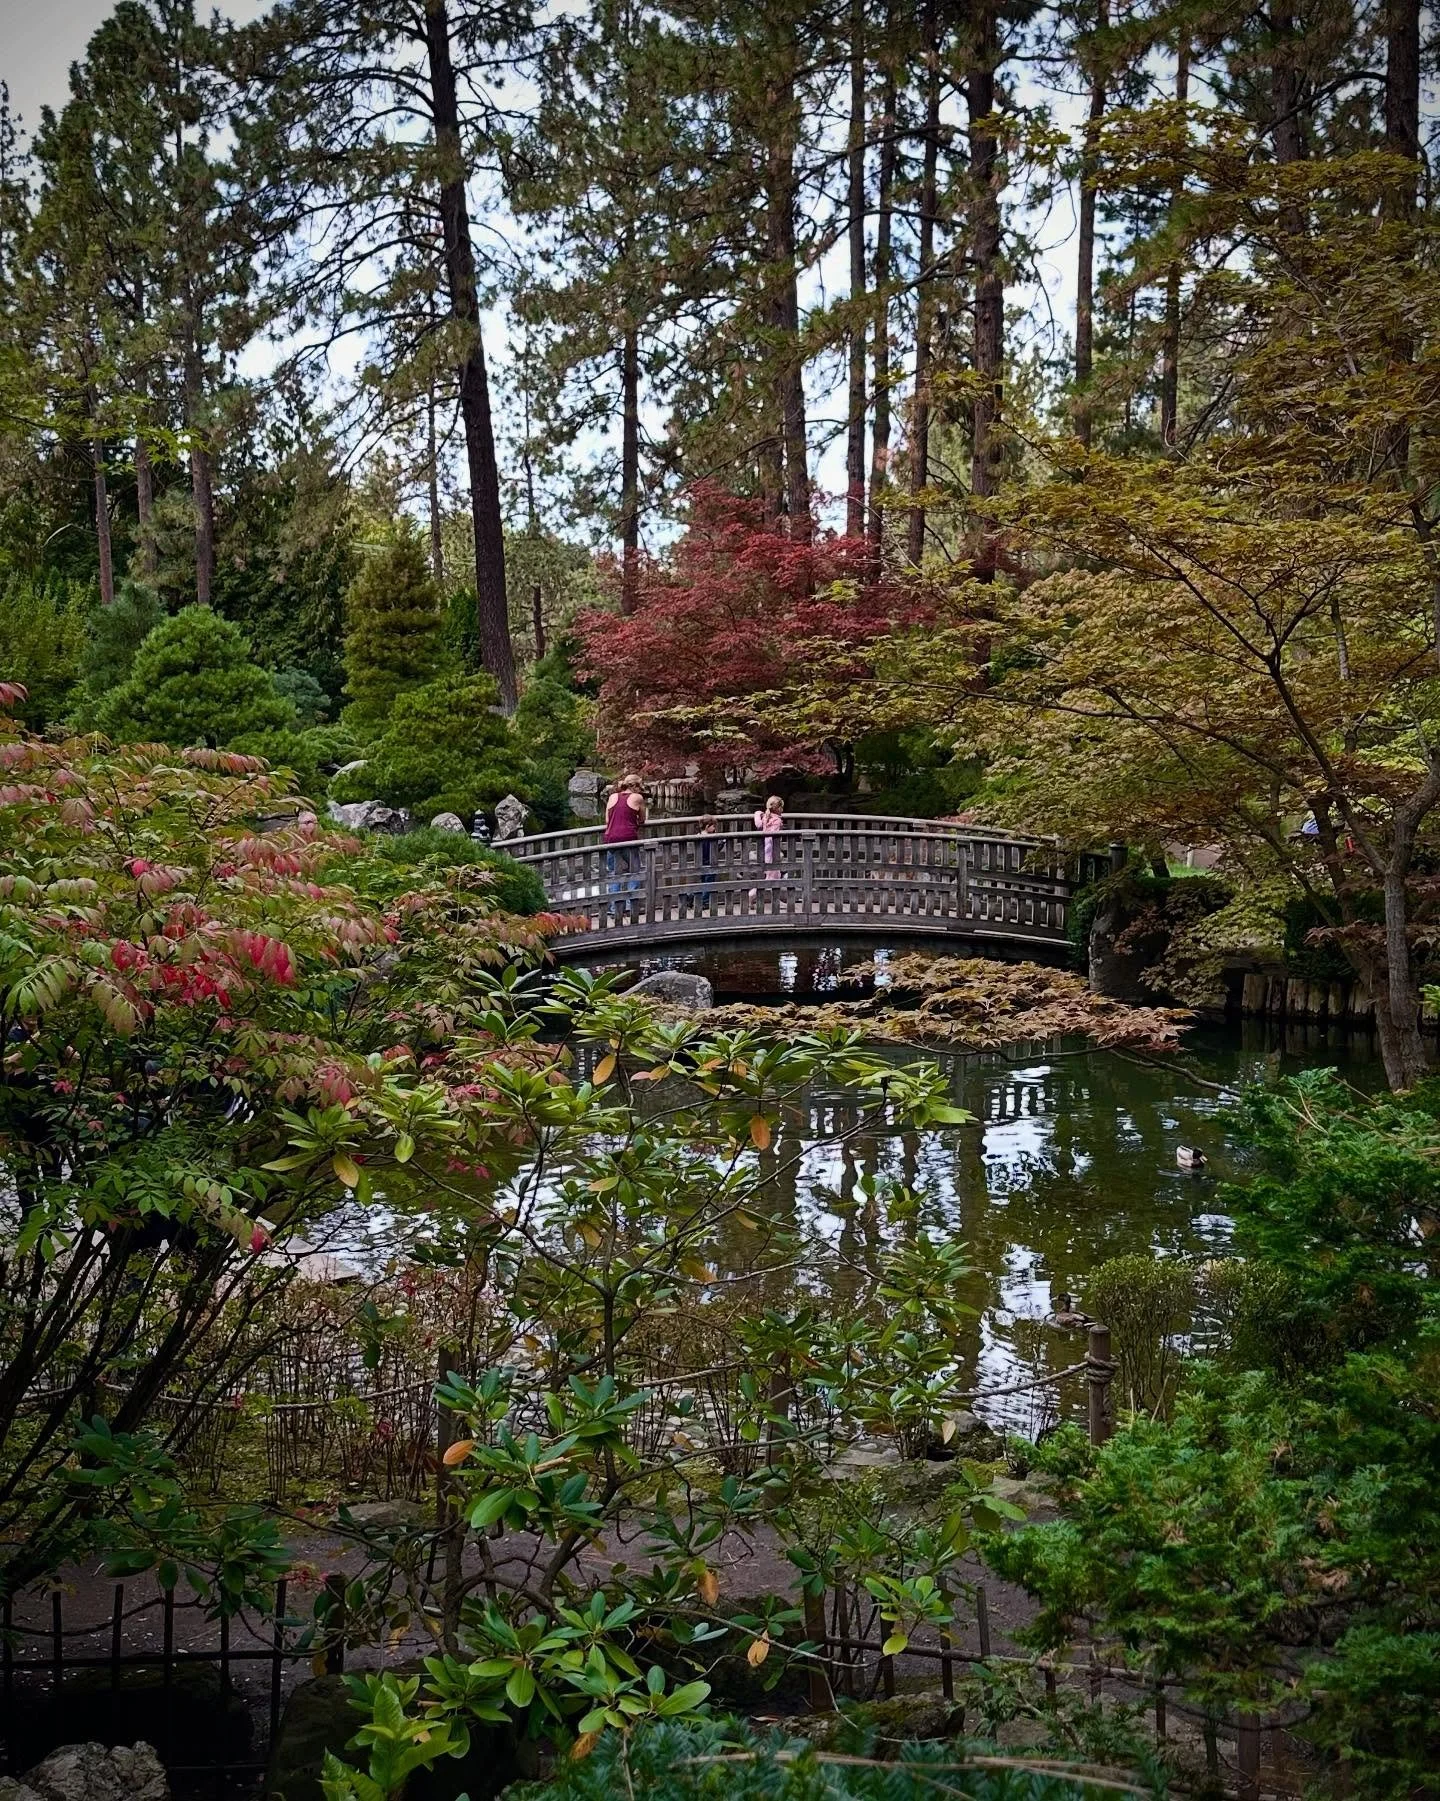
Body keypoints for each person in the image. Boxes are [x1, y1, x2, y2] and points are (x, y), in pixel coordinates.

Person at [603, 775, 647, 908]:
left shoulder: (612, 797)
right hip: (628, 838)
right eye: (640, 787)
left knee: (614, 873)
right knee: (635, 871)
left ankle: (614, 907)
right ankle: (630, 905)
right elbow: (642, 819)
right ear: (635, 786)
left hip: (611, 838)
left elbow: (607, 820)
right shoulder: (637, 798)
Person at [753, 795, 785, 887]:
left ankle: (773, 895)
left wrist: (757, 813)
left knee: (772, 873)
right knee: (772, 873)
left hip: (765, 847)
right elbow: (773, 835)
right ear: (779, 808)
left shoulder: (765, 817)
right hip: (772, 849)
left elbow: (758, 824)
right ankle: (754, 893)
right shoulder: (777, 820)